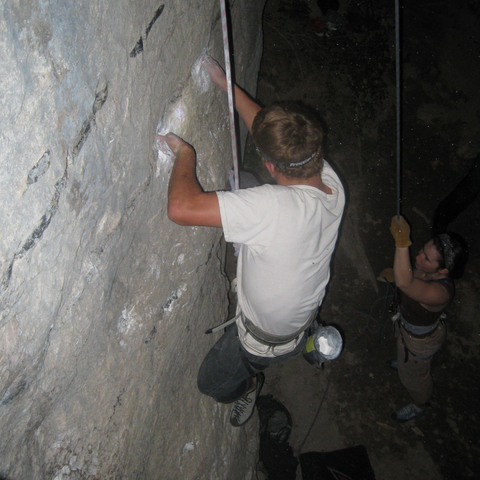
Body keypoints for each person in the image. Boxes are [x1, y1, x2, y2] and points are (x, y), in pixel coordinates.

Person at [159, 56, 345, 427]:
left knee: (209, 383)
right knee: (240, 178)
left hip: (264, 340)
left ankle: (249, 384)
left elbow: (181, 208)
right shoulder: (330, 181)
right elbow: (272, 131)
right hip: (300, 311)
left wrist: (186, 153)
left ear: (273, 167)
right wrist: (225, 84)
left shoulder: (271, 208)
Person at [389, 216, 468, 422]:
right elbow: (407, 277)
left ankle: (419, 403)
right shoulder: (428, 271)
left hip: (419, 342)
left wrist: (402, 242)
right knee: (403, 349)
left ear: (443, 271)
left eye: (426, 258)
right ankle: (404, 360)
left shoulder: (440, 293)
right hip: (409, 329)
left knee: (415, 378)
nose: (418, 257)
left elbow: (404, 283)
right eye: (422, 250)